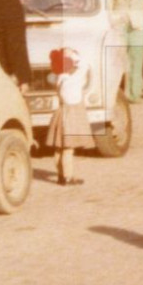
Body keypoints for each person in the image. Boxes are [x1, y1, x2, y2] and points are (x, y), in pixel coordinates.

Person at [48, 47, 96, 185]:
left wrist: (64, 55)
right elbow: (85, 65)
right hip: (72, 115)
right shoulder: (74, 80)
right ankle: (68, 176)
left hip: (60, 113)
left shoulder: (59, 78)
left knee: (58, 148)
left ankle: (60, 175)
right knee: (68, 149)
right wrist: (73, 55)